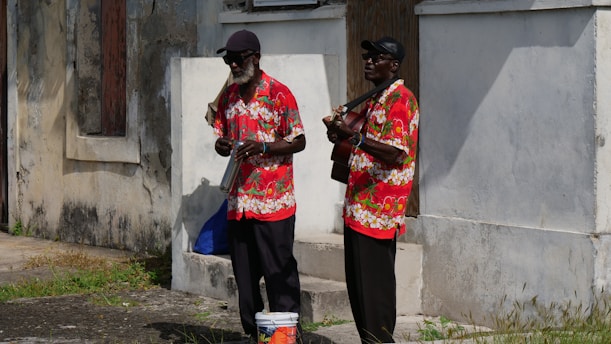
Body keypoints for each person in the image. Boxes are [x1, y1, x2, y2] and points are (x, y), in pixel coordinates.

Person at [323, 36, 419, 344]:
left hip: (378, 211)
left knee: (375, 290)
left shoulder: (401, 99)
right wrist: (339, 133)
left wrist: (354, 136)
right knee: (359, 289)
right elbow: (355, 142)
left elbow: (396, 153)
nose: (368, 61)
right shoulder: (376, 99)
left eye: (376, 57)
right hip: (359, 207)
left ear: (393, 65)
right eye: (367, 56)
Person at [213, 29, 306, 342]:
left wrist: (263, 147)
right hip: (239, 203)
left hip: (273, 202)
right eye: (229, 61)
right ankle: (254, 333)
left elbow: (299, 140)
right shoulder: (228, 96)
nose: (233, 66)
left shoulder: (279, 93)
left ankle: (286, 334)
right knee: (245, 277)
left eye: (238, 60)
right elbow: (221, 136)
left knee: (279, 272)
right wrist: (223, 145)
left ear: (255, 58)